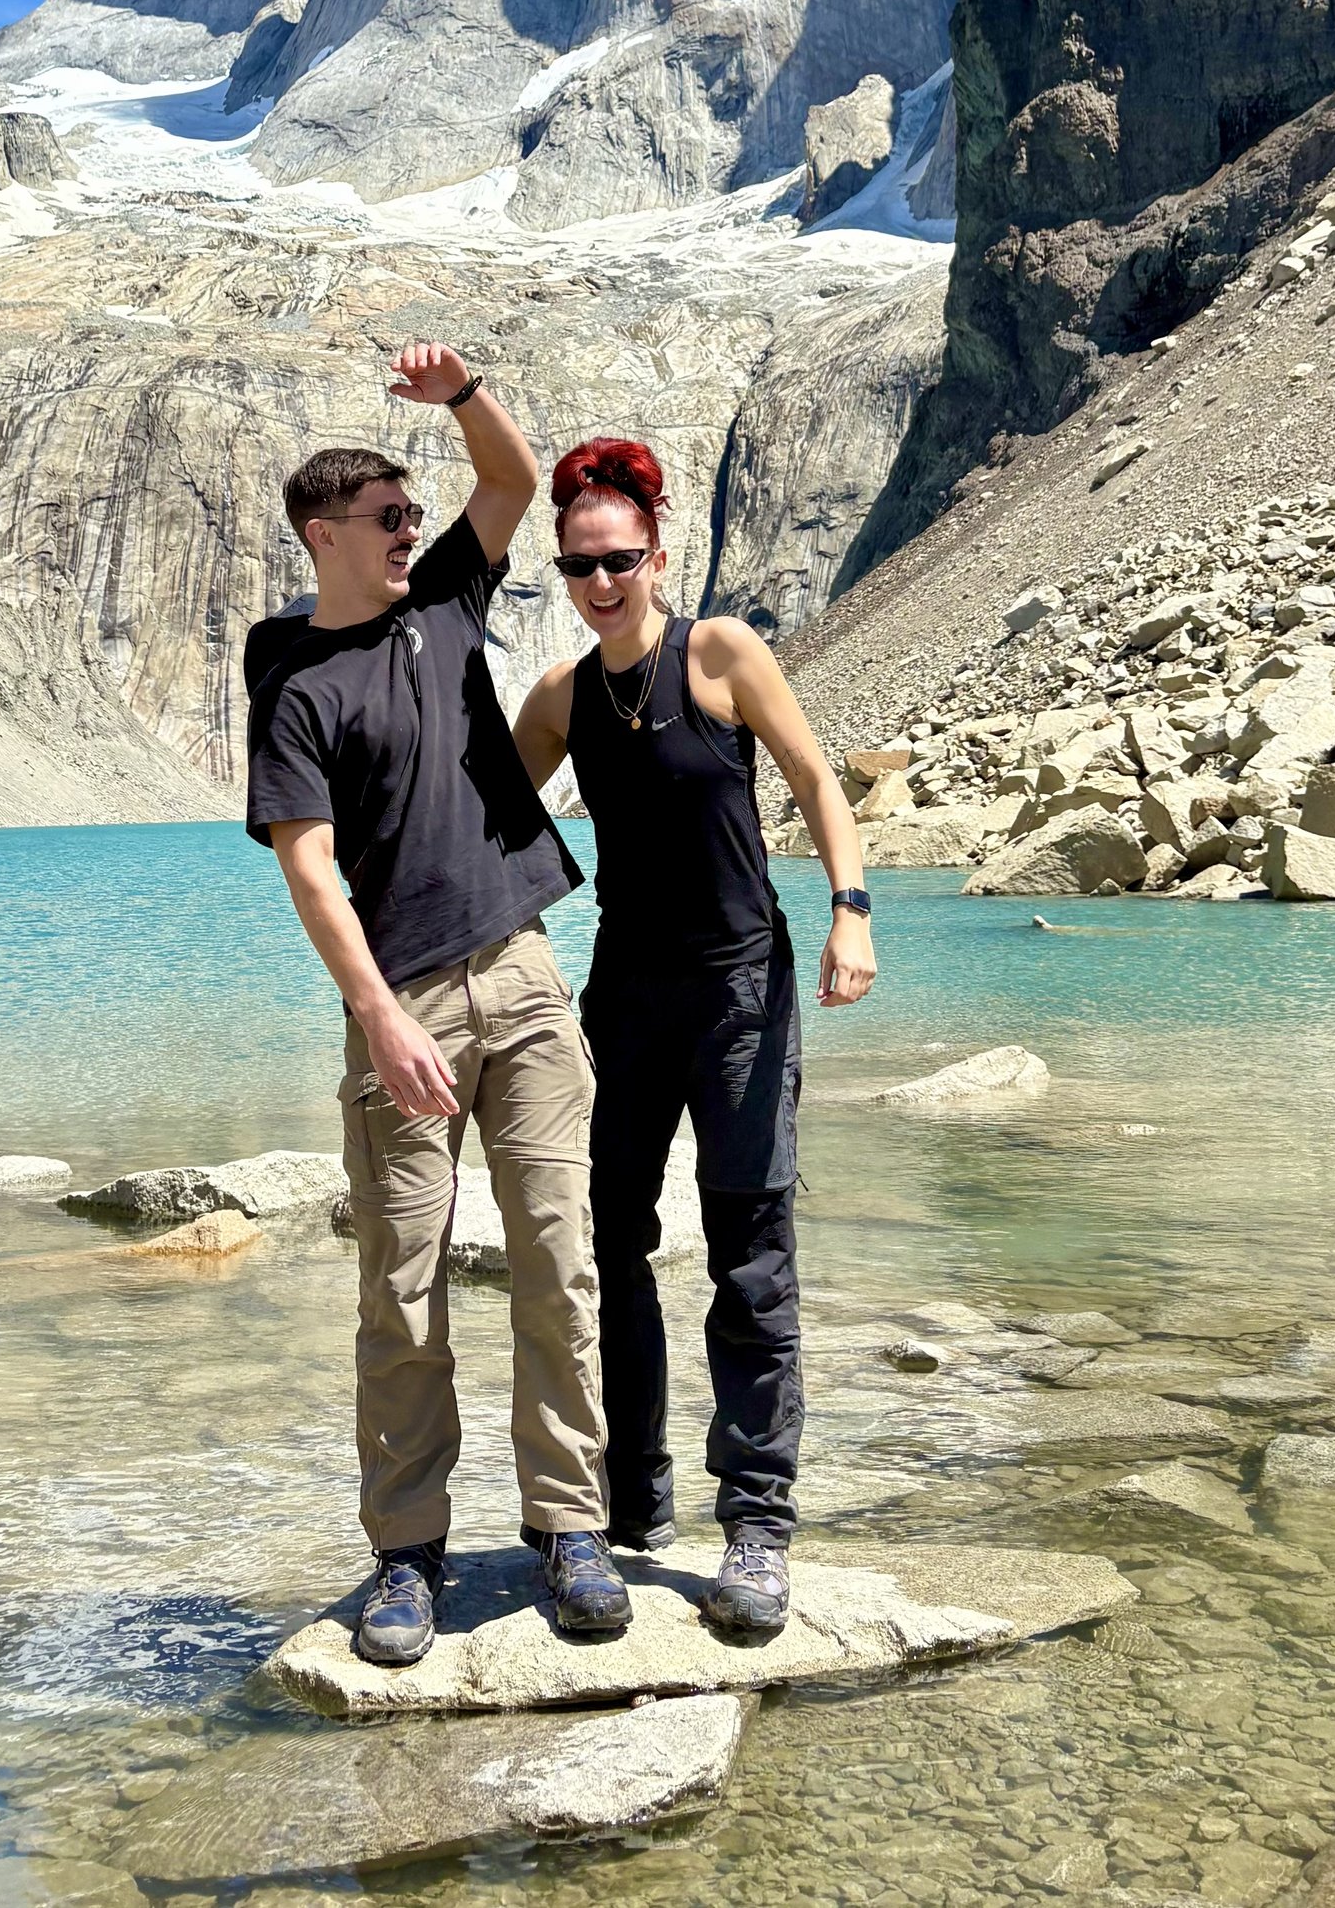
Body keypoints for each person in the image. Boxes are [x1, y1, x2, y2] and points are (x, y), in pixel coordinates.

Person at [244, 342, 633, 1670]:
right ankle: (406, 1558)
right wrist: (383, 1019)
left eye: (418, 514)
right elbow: (308, 865)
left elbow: (515, 479)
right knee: (403, 1291)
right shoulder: (293, 680)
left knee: (558, 1259)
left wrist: (463, 397)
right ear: (323, 532)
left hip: (520, 972)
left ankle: (569, 1529)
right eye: (389, 519)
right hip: (399, 1003)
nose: (415, 530)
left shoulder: (448, 601)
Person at [512, 434, 874, 1638]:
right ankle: (633, 1505)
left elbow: (818, 780)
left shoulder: (718, 655)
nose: (600, 583)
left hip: (738, 990)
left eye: (616, 560)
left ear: (656, 557)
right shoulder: (561, 699)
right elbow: (488, 822)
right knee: (607, 1244)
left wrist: (850, 915)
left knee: (748, 1248)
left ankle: (758, 1524)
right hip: (622, 997)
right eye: (576, 567)